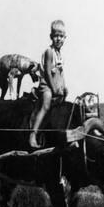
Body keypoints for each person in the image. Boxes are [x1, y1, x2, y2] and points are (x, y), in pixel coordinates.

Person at [29, 20, 68, 148]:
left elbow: (60, 74)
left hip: (55, 85)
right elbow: (47, 72)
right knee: (46, 103)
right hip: (46, 85)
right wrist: (53, 88)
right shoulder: (49, 52)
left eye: (61, 36)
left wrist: (63, 86)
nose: (59, 39)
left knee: (63, 100)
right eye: (56, 36)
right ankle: (33, 134)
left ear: (65, 38)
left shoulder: (59, 54)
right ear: (51, 37)